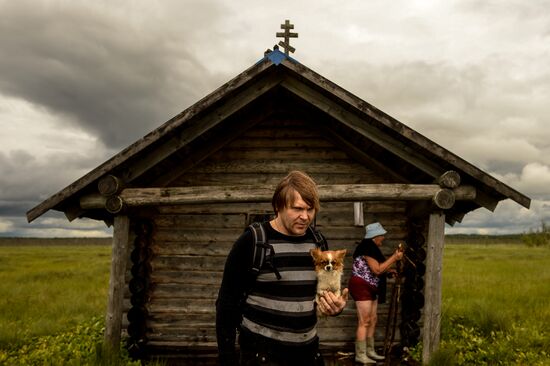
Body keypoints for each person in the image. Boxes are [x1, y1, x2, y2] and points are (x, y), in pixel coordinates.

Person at [216, 171, 348, 366]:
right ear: (278, 206)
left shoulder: (318, 242)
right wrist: (227, 359)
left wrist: (333, 307)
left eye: (310, 209)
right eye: (297, 209)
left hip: (308, 353)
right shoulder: (253, 241)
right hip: (262, 356)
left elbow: (319, 297)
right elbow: (226, 303)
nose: (305, 217)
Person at [348, 222, 403, 364]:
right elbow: (377, 270)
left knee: (372, 319)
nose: (383, 238)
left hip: (371, 285)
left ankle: (370, 351)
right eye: (381, 235)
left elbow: (379, 269)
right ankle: (360, 354)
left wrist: (389, 271)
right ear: (375, 237)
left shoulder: (372, 248)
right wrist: (394, 258)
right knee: (364, 321)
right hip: (362, 286)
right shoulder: (367, 247)